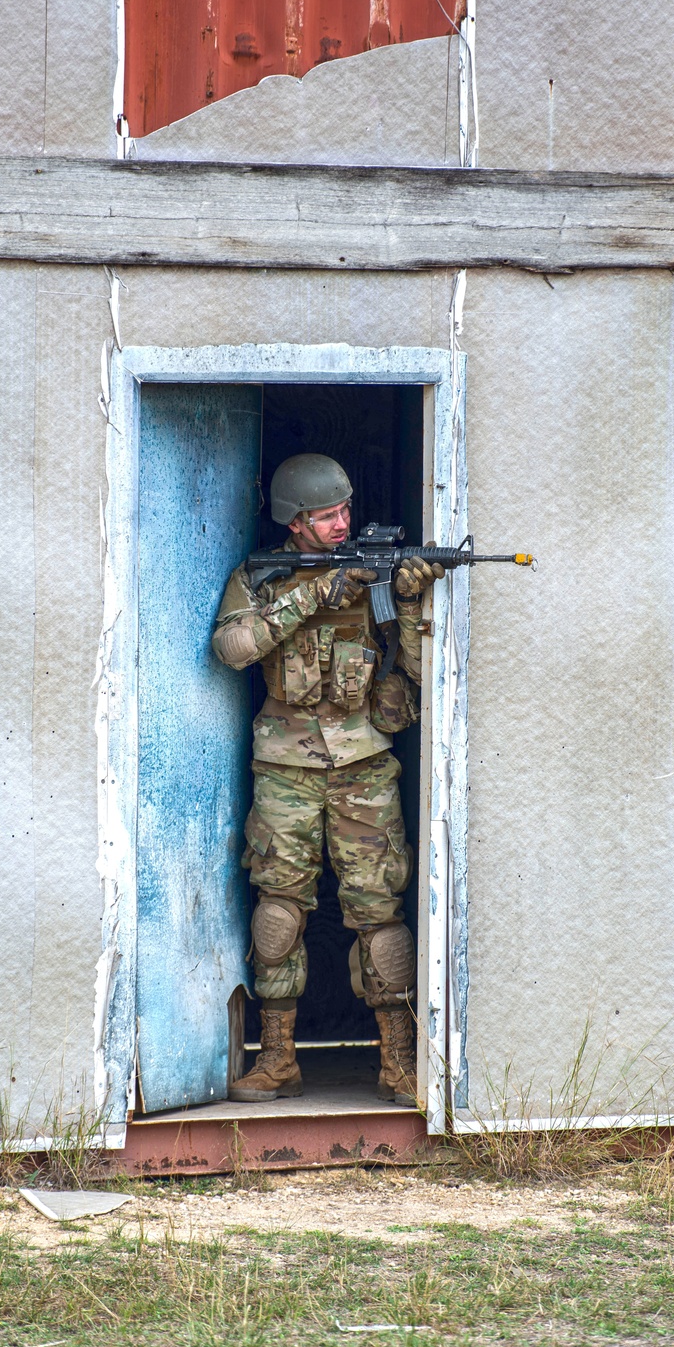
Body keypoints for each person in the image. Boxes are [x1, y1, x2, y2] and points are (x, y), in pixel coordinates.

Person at [211, 453, 443, 1107]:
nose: (342, 523)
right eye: (327, 515)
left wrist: (405, 600)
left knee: (380, 918)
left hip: (364, 767)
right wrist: (316, 595)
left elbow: (421, 674)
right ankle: (278, 1059)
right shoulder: (263, 575)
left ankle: (397, 1061)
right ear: (295, 522)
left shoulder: (374, 579)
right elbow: (231, 649)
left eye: (345, 510)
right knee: (279, 915)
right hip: (284, 771)